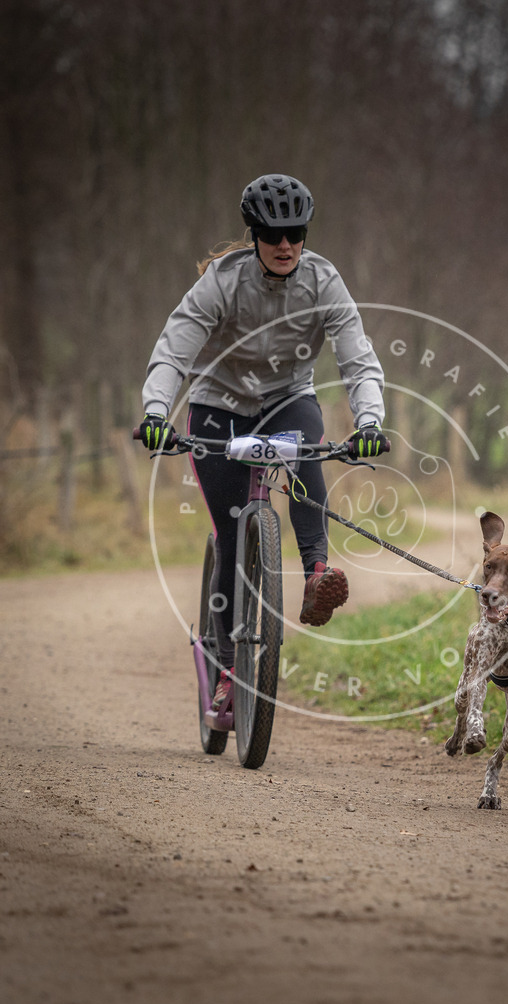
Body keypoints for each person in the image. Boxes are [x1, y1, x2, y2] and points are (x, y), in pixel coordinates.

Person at [137, 173, 388, 708]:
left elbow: (357, 360)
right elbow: (173, 351)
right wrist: (157, 413)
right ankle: (228, 667)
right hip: (217, 405)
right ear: (253, 235)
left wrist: (369, 423)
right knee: (230, 537)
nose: (285, 245)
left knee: (307, 448)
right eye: (273, 234)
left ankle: (316, 571)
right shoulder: (222, 282)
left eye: (295, 233)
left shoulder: (324, 281)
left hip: (285, 399)